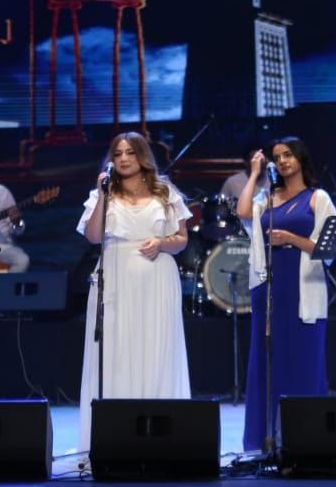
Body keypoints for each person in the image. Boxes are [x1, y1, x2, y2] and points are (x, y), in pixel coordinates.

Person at [77, 132, 192, 449]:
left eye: (130, 152)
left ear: (142, 156)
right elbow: (93, 236)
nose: (123, 159)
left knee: (156, 350)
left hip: (157, 280)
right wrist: (103, 195)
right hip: (114, 279)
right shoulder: (103, 193)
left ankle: (159, 435)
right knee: (116, 351)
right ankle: (115, 435)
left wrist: (162, 243)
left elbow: (182, 240)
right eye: (117, 153)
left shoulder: (165, 192)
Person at [235, 136, 336, 453]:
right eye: (277, 157)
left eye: (288, 155)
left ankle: (306, 438)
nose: (282, 161)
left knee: (304, 360)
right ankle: (265, 438)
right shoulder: (268, 197)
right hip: (268, 289)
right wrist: (255, 173)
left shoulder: (317, 198)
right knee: (267, 361)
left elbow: (329, 247)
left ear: (301, 158)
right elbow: (242, 211)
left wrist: (291, 238)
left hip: (303, 289)